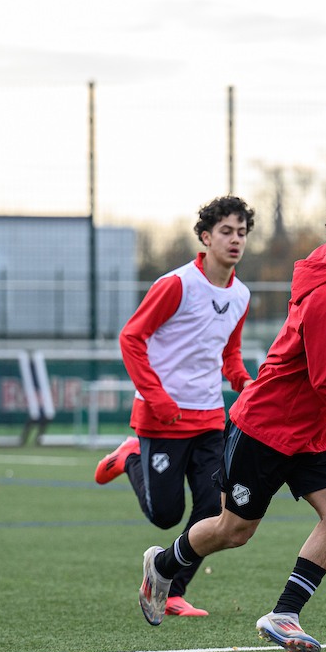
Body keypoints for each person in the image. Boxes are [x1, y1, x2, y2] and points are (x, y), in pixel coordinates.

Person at [137, 191, 326, 652]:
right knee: (233, 531)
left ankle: (284, 614)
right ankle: (162, 564)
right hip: (265, 428)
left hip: (311, 431)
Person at [95, 196, 255, 616]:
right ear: (205, 237)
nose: (235, 239)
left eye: (241, 232)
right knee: (166, 517)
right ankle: (130, 455)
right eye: (226, 231)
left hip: (209, 419)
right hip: (162, 417)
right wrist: (158, 397)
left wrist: (245, 383)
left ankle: (172, 589)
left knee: (213, 511)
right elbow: (131, 338)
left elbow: (229, 355)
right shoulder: (176, 284)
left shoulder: (241, 294)